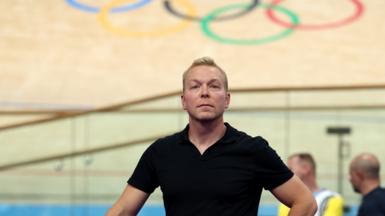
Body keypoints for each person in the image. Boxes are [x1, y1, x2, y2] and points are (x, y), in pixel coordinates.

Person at [106, 57, 317, 216]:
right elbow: (123, 210)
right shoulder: (161, 152)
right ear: (184, 100)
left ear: (226, 100)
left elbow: (305, 202)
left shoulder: (253, 150)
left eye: (214, 86)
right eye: (195, 86)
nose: (204, 92)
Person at [278, 153, 344, 216]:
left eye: (290, 169)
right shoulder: (287, 201)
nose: (287, 173)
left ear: (305, 168)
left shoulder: (331, 198)